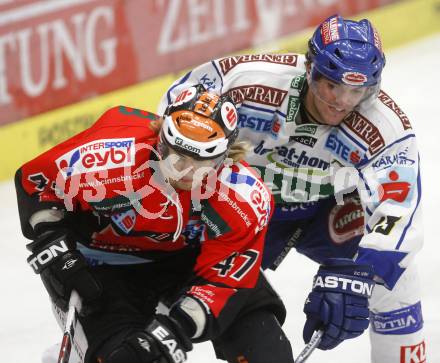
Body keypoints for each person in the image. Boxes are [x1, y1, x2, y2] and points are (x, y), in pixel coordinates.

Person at [159, 15, 426, 362]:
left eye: (356, 91)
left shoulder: (385, 126)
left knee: (397, 284)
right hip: (238, 210)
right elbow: (175, 110)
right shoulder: (246, 81)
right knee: (168, 283)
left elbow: (400, 213)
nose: (342, 102)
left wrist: (362, 276)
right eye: (333, 85)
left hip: (325, 211)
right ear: (310, 67)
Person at [15, 85, 296, 363]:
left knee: (267, 353)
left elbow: (223, 281)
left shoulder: (243, 196)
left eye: (202, 161)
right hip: (102, 270)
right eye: (178, 157)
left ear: (224, 157)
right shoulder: (111, 157)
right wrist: (56, 251)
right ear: (160, 140)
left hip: (189, 262)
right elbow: (38, 182)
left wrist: (175, 329)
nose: (186, 171)